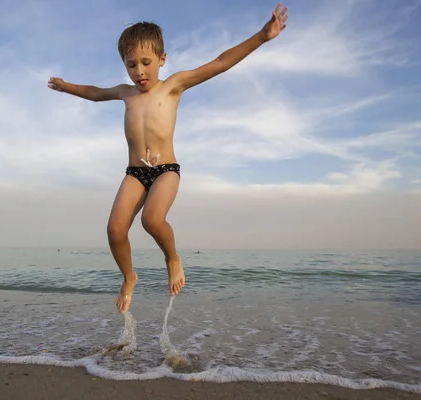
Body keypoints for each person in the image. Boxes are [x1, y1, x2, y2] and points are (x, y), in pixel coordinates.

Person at [48, 3, 289, 314]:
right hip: (135, 173)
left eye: (146, 62)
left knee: (151, 219)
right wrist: (67, 87)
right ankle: (129, 276)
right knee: (115, 230)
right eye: (131, 65)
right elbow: (95, 92)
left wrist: (261, 36)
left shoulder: (173, 86)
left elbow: (219, 63)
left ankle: (172, 257)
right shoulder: (125, 92)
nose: (139, 72)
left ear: (162, 60)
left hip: (166, 171)